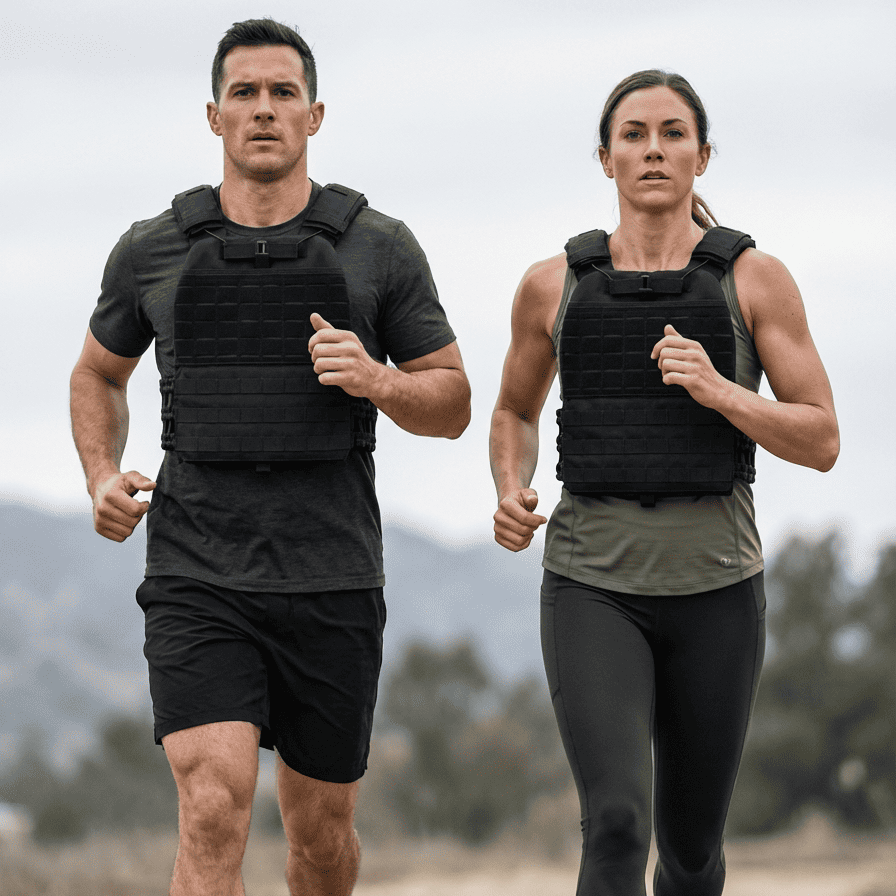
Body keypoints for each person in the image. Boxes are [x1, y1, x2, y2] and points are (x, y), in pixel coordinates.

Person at [70, 18, 470, 896]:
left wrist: (376, 378)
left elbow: (452, 403)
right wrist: (101, 473)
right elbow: (98, 373)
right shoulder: (152, 248)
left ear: (314, 115)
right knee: (213, 806)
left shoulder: (379, 246)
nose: (262, 109)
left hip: (332, 572)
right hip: (197, 569)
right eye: (243, 93)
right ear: (213, 115)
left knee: (321, 837)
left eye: (283, 92)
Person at [489, 70, 838, 895]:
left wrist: (721, 390)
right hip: (590, 584)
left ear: (702, 156)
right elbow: (514, 412)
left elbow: (822, 437)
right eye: (634, 134)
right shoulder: (552, 285)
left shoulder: (754, 280)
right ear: (605, 158)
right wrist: (510, 485)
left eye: (673, 133)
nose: (653, 150)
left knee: (689, 852)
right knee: (615, 823)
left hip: (718, 587)